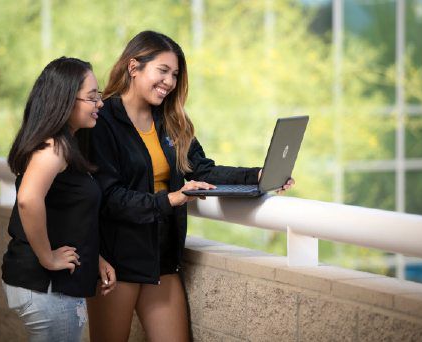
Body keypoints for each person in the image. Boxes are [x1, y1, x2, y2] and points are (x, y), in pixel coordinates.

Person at [79, 31, 294, 342]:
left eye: (175, 75)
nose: (170, 82)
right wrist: (171, 199)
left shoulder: (170, 120)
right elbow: (109, 197)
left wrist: (257, 176)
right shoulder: (102, 120)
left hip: (161, 257)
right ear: (133, 66)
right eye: (162, 71)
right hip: (115, 259)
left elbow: (202, 169)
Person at [1, 56, 116, 342]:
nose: (99, 103)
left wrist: (95, 258)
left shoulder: (66, 145)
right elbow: (28, 199)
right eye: (92, 97)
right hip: (47, 286)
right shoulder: (54, 147)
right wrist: (48, 257)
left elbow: (63, 212)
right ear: (66, 100)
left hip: (48, 285)